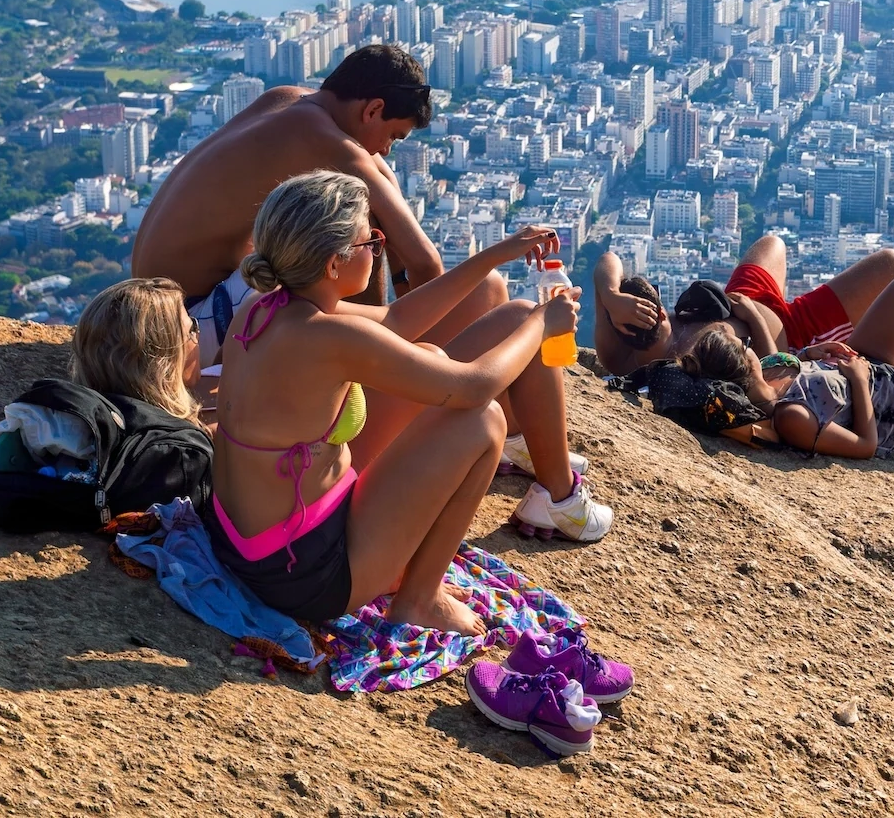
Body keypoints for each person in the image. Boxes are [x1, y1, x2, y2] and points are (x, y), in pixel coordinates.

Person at [205, 172, 594, 632]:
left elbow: (397, 318)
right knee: (483, 421)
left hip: (246, 542)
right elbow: (473, 387)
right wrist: (541, 324)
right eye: (371, 241)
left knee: (434, 353)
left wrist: (499, 253)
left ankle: (402, 573)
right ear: (334, 263)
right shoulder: (330, 337)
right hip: (302, 574)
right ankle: (420, 599)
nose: (377, 248)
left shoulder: (265, 307)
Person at [132, 45, 494, 370]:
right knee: (363, 214)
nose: (386, 149)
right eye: (393, 137)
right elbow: (426, 261)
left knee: (362, 214)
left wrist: (402, 288)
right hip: (184, 324)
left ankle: (378, 342)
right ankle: (377, 359)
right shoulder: (323, 141)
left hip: (159, 307)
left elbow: (383, 182)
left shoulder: (289, 101)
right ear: (374, 109)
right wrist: (413, 317)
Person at [677, 287, 894, 459]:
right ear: (743, 364)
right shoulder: (791, 418)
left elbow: (787, 359)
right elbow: (866, 446)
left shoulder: (766, 375)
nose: (750, 346)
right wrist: (857, 379)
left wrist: (810, 355)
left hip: (870, 369)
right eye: (744, 345)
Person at [590, 232, 894, 375]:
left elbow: (607, 260)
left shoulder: (618, 340)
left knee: (772, 243)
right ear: (662, 310)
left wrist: (611, 296)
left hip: (740, 295)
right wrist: (751, 314)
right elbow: (765, 373)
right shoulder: (682, 363)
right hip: (793, 331)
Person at [69, 276, 203, 421]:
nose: (197, 336)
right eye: (191, 330)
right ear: (162, 359)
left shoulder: (75, 426)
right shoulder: (178, 439)